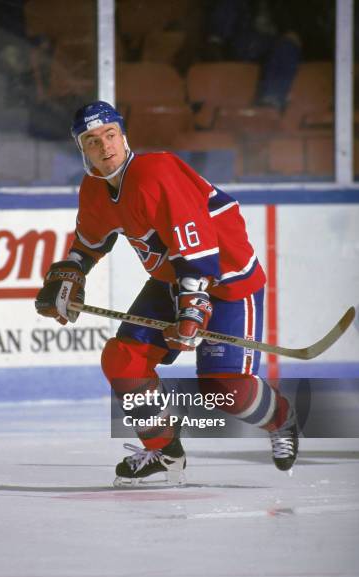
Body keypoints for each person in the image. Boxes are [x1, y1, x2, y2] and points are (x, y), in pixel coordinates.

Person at [35, 100, 299, 486]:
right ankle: (165, 451)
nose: (104, 147)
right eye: (92, 141)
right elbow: (89, 242)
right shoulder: (94, 189)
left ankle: (282, 418)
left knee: (223, 388)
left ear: (123, 136)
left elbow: (198, 246)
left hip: (226, 281)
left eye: (110, 135)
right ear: (82, 149)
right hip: (172, 280)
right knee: (123, 359)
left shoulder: (156, 171)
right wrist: (71, 270)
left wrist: (193, 308)